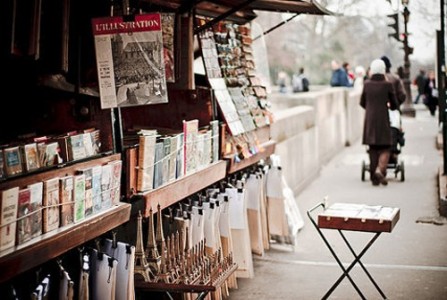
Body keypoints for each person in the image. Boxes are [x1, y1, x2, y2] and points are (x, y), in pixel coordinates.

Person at [360, 59, 399, 186]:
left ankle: (374, 178)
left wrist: (370, 108)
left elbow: (362, 102)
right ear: (383, 71)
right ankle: (379, 170)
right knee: (386, 147)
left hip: (370, 120)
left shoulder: (366, 84)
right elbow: (394, 104)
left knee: (372, 148)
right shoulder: (387, 85)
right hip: (383, 119)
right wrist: (388, 105)